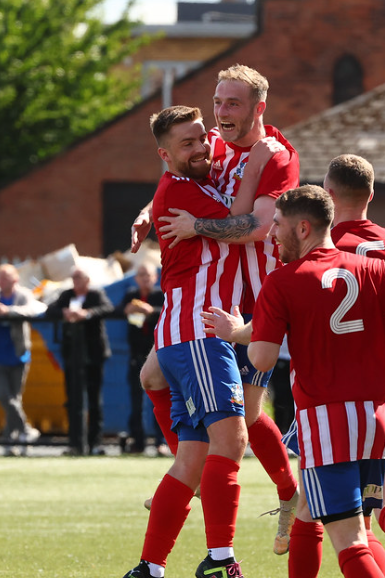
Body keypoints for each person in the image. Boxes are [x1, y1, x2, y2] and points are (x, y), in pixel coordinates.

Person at [208, 185, 385, 578]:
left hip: (327, 417)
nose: (271, 234)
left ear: (303, 228)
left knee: (348, 538)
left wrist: (244, 337)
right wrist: (378, 356)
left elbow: (262, 358)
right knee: (338, 518)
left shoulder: (284, 280)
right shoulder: (376, 269)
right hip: (375, 415)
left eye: (277, 224)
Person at [131, 64, 302, 554]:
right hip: (212, 296)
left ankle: (286, 493)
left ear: (258, 108)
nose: (221, 114)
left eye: (232, 104)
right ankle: (193, 471)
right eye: (218, 102)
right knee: (152, 378)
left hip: (252, 300)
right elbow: (181, 168)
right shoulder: (213, 142)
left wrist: (195, 227)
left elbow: (253, 227)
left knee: (243, 416)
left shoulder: (277, 156)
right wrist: (151, 209)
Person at [123, 105, 255, 578]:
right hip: (199, 334)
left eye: (202, 137)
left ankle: (150, 568)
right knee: (232, 440)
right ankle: (220, 560)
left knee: (192, 458)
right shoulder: (184, 191)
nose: (201, 148)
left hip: (186, 334)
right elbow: (249, 227)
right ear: (165, 154)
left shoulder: (187, 183)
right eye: (187, 144)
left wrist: (146, 213)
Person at [308, 154, 385, 578]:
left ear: (327, 193)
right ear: (372, 194)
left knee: (329, 513)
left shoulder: (316, 243)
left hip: (332, 384)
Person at [47, 265, 114, 455]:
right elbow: (50, 310)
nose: (76, 282)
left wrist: (87, 314)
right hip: (72, 355)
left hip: (93, 354)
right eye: (73, 278)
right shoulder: (66, 295)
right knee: (73, 399)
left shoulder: (95, 295)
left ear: (87, 280)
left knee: (94, 400)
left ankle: (95, 443)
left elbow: (107, 308)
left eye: (79, 278)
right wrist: (64, 313)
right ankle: (75, 443)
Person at [0, 263, 42, 456]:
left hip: (18, 354)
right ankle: (26, 430)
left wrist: (8, 311)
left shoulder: (22, 295)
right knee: (5, 397)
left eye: (6, 277)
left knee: (15, 399)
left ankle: (10, 442)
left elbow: (32, 310)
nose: (2, 280)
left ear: (15, 279)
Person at [118, 262, 166, 454]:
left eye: (148, 275)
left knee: (160, 400)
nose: (145, 279)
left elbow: (167, 312)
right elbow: (117, 309)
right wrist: (127, 310)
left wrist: (151, 312)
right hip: (136, 355)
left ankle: (161, 442)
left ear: (155, 277)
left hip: (157, 354)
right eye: (141, 275)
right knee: (135, 402)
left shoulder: (160, 295)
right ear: (136, 278)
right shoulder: (131, 295)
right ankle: (138, 442)